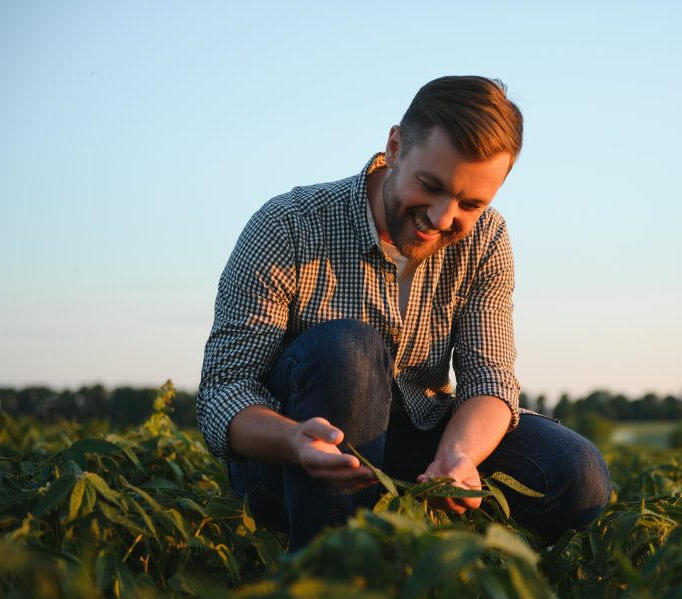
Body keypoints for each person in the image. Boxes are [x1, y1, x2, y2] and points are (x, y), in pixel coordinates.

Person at [197, 76, 610, 551]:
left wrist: (458, 457)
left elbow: (490, 378)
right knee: (348, 349)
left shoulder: (487, 239)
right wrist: (293, 441)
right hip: (292, 459)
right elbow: (223, 392)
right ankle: (330, 573)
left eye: (470, 204)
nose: (440, 218)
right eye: (430, 186)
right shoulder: (288, 224)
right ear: (394, 147)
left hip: (417, 435)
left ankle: (469, 577)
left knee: (576, 474)